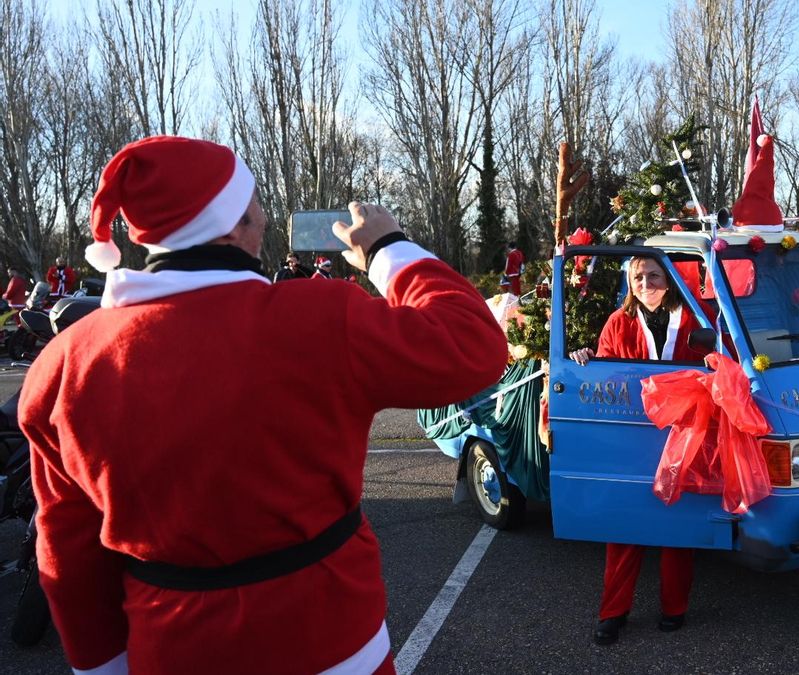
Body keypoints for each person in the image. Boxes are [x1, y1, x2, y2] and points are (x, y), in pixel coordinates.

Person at [18, 136, 508, 674]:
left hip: (170, 649)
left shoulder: (62, 365)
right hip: (333, 643)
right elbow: (473, 344)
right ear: (229, 224)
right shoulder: (319, 317)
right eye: (254, 202)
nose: (266, 216)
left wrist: (101, 665)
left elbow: (66, 550)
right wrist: (389, 247)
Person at [568, 256, 710, 646]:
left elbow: (716, 365)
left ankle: (674, 607)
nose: (645, 283)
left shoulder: (695, 320)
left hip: (681, 432)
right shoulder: (619, 321)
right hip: (630, 434)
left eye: (653, 275)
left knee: (677, 523)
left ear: (670, 279)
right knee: (623, 524)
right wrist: (587, 361)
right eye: (638, 277)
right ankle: (613, 612)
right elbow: (607, 373)